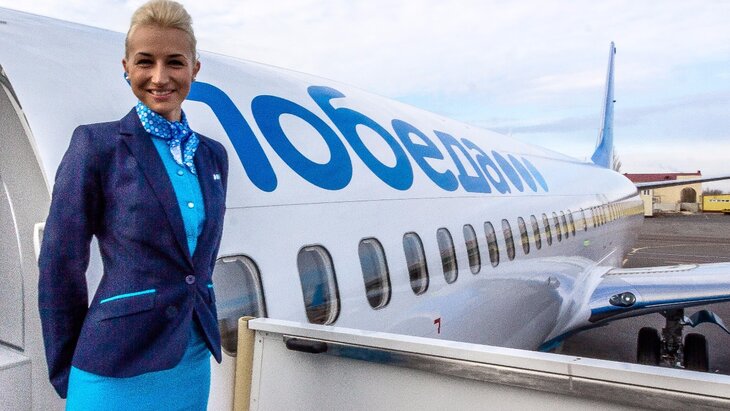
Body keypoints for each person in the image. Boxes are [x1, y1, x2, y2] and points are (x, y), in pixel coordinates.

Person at [38, 1, 228, 409]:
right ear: (126, 67)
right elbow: (60, 263)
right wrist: (67, 368)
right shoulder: (97, 146)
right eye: (145, 62)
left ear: (194, 69)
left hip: (191, 355)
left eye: (175, 62)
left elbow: (202, 260)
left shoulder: (212, 156)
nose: (160, 77)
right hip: (113, 361)